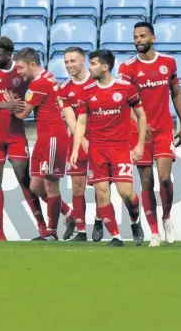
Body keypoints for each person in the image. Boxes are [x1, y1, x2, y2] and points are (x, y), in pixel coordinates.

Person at [118, 21, 181, 247]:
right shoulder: (126, 68)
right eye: (135, 37)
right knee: (146, 182)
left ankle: (166, 217)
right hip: (139, 133)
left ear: (153, 38)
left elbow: (176, 93)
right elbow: (125, 102)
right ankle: (155, 232)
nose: (138, 40)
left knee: (165, 178)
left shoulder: (168, 63)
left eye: (142, 36)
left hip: (164, 129)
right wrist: (139, 122)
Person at [0, 37, 51, 240]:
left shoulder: (21, 72)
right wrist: (5, 106)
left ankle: (43, 227)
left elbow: (37, 91)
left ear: (9, 55)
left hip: (16, 133)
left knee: (24, 179)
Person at [70, 50, 147, 247]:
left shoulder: (125, 88)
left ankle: (134, 219)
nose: (90, 67)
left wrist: (139, 145)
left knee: (126, 193)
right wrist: (75, 148)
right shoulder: (87, 91)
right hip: (97, 149)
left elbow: (141, 115)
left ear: (105, 67)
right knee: (102, 192)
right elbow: (80, 122)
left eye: (94, 64)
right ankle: (116, 236)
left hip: (120, 148)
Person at [8, 47, 74, 241]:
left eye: (20, 68)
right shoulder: (49, 77)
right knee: (36, 187)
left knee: (50, 184)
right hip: (44, 137)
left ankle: (51, 232)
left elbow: (22, 114)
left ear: (32, 64)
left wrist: (10, 105)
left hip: (53, 137)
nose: (19, 72)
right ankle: (70, 214)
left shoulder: (38, 84)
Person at [58, 47, 103, 242]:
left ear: (83, 61)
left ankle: (100, 220)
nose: (69, 65)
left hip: (101, 140)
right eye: (66, 62)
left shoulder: (97, 82)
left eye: (73, 61)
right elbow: (71, 120)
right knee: (77, 187)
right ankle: (82, 230)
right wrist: (82, 140)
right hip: (77, 140)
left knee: (101, 187)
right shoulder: (64, 88)